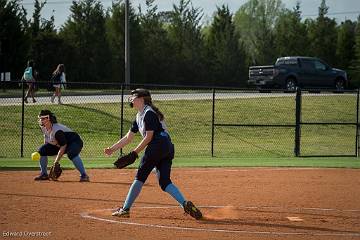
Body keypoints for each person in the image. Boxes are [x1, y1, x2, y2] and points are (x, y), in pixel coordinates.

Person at [104, 88, 202, 220]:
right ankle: (185, 204)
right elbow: (128, 137)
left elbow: (149, 137)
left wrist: (134, 153)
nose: (131, 99)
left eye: (133, 96)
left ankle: (125, 209)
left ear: (141, 99)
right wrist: (112, 149)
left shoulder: (148, 113)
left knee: (140, 177)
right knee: (165, 182)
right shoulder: (140, 116)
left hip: (158, 145)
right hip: (167, 147)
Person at [34, 109, 90, 182]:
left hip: (74, 141)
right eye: (40, 118)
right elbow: (46, 137)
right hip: (59, 143)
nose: (41, 120)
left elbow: (63, 145)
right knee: (42, 150)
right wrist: (46, 149)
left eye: (43, 118)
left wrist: (56, 162)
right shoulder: (43, 127)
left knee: (71, 153)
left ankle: (84, 175)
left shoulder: (57, 130)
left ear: (49, 119)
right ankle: (44, 174)